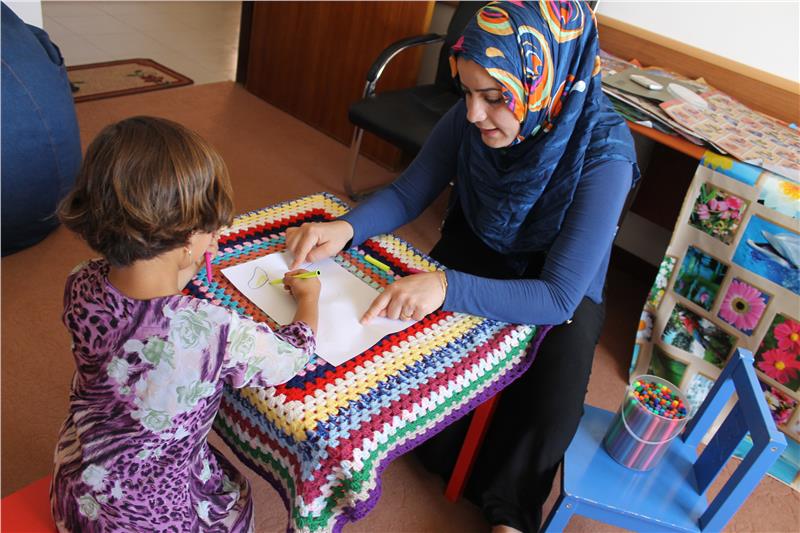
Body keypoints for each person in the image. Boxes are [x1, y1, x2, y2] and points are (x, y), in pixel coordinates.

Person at [286, 2, 638, 531]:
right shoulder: (472, 114)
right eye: (467, 92)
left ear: (545, 84)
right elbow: (409, 192)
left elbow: (558, 297)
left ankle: (509, 515)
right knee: (415, 356)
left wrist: (446, 286)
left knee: (550, 403)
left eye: (494, 98)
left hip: (557, 278)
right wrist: (346, 228)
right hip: (479, 242)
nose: (473, 114)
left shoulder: (606, 152)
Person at [51, 116, 321, 532]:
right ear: (184, 237)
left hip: (77, 494)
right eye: (210, 228)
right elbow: (291, 357)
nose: (218, 236)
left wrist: (185, 260)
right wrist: (309, 298)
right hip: (150, 520)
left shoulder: (80, 281)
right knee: (235, 500)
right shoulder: (212, 330)